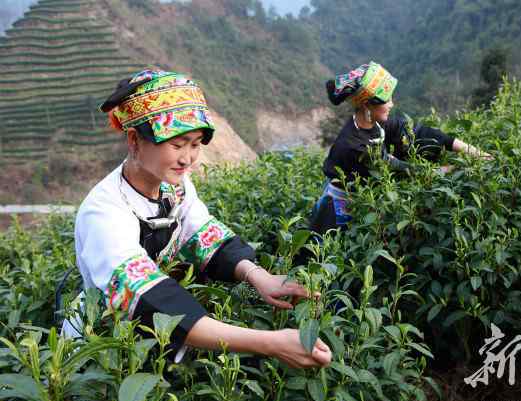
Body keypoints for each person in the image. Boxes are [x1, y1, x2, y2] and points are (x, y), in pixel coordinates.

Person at [68, 69, 332, 368]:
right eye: (177, 145)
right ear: (134, 140)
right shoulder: (104, 213)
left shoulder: (174, 187)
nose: (187, 158)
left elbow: (204, 236)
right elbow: (151, 300)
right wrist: (270, 342)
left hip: (159, 338)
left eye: (194, 145)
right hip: (106, 349)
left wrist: (260, 276)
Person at [309, 61, 492, 234]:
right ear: (367, 105)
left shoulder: (374, 124)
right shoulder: (354, 146)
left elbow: (419, 133)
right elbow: (401, 170)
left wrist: (474, 152)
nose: (391, 104)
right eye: (386, 100)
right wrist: (455, 169)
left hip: (359, 204)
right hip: (335, 215)